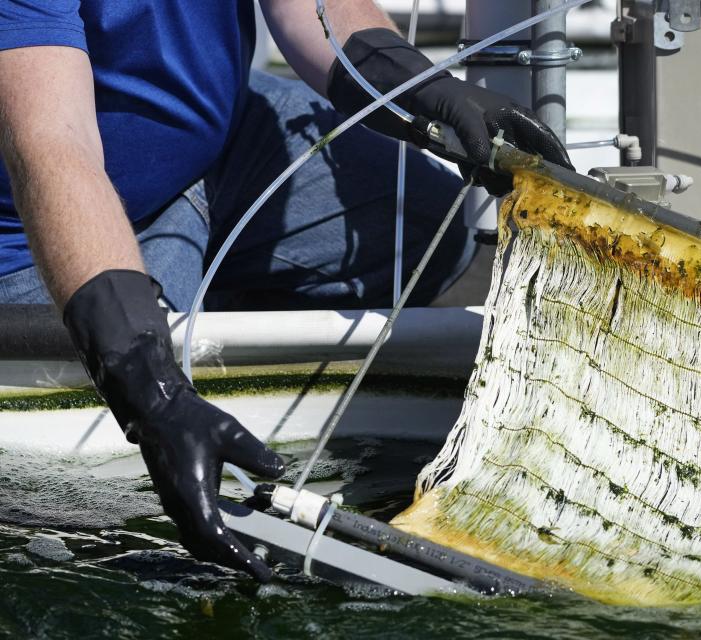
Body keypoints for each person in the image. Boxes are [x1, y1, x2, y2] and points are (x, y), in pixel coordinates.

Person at [0, 1, 572, 582]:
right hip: (35, 217)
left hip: (225, 140)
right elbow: (54, 143)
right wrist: (152, 393)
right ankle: (162, 297)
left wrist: (421, 86)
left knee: (427, 228)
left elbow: (315, 9)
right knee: (128, 495)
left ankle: (203, 277)